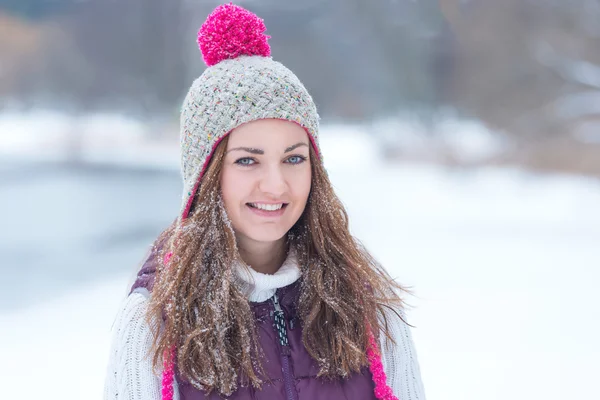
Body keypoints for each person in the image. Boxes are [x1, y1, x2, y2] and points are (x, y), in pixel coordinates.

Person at [103, 3, 426, 400]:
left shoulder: (365, 302)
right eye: (247, 160)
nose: (275, 185)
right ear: (205, 175)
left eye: (293, 158)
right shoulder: (153, 322)